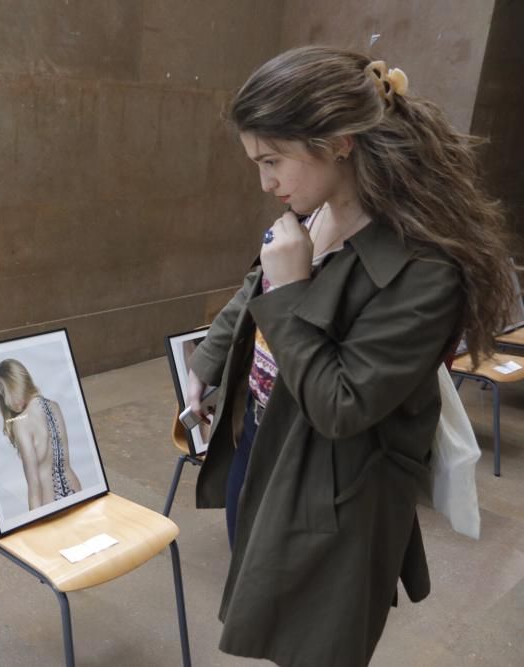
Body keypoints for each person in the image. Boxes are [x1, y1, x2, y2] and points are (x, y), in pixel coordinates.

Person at [182, 46, 517, 666]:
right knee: (270, 608)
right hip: (262, 446)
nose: (266, 182)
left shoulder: (426, 267)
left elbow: (343, 405)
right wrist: (207, 365)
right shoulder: (314, 210)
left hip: (337, 492)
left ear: (338, 142)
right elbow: (253, 290)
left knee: (316, 639)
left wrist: (293, 287)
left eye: (273, 160)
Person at [0, 359, 82, 509]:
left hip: (50, 506)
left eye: (2, 390)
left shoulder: (21, 423)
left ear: (12, 385)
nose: (3, 399)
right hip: (77, 493)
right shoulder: (54, 406)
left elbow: (34, 488)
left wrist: (33, 526)